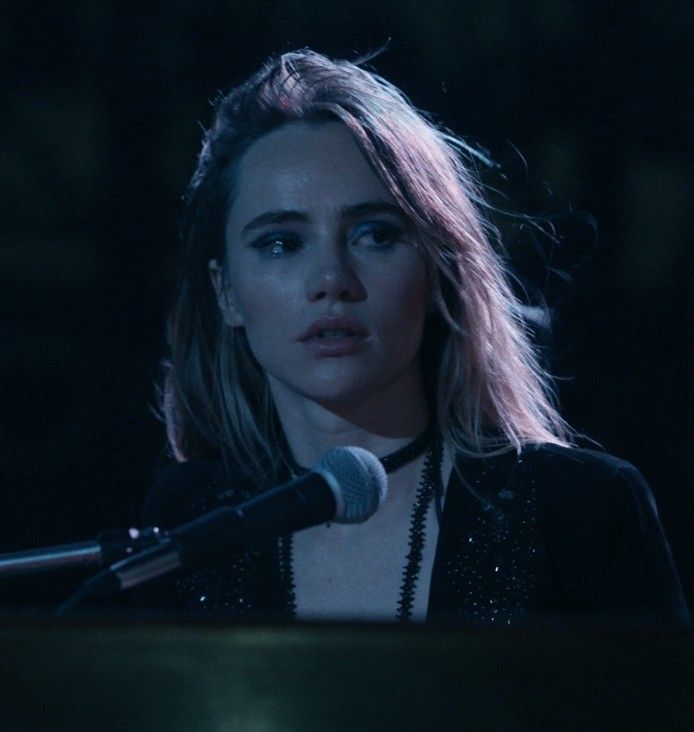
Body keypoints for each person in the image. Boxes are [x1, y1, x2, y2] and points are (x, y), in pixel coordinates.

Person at [141, 48, 689, 627]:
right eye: (281, 243)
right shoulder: (187, 523)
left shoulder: (578, 511)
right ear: (226, 293)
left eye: (375, 235)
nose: (332, 281)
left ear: (436, 270)